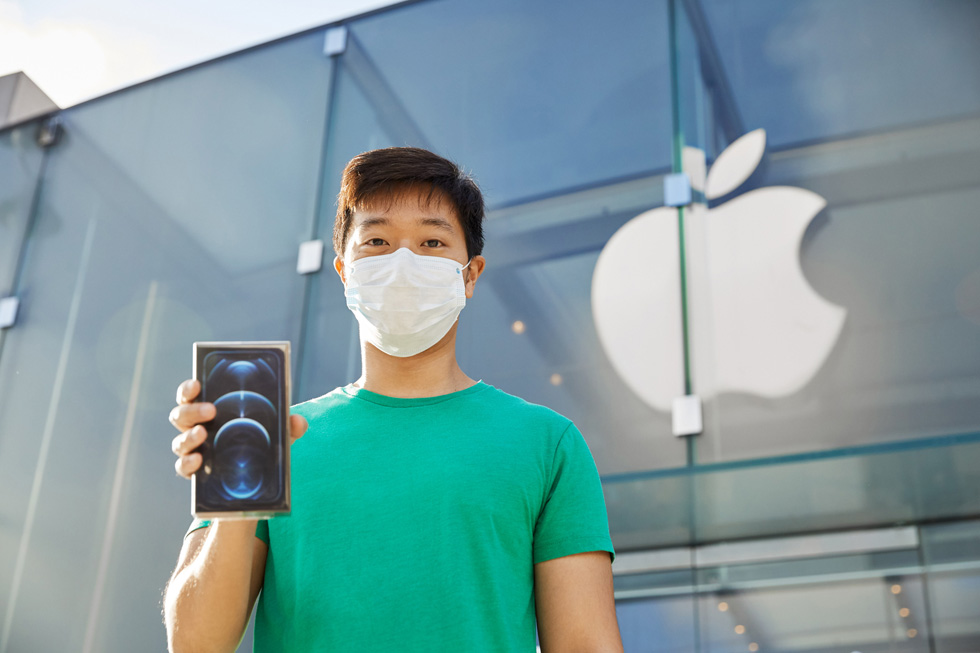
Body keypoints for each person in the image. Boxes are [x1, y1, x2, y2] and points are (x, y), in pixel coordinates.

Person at [164, 147, 623, 652]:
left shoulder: (547, 444)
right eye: (377, 241)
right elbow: (195, 644)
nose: (403, 262)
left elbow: (585, 644)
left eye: (431, 241)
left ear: (469, 275)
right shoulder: (272, 438)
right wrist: (239, 488)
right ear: (344, 271)